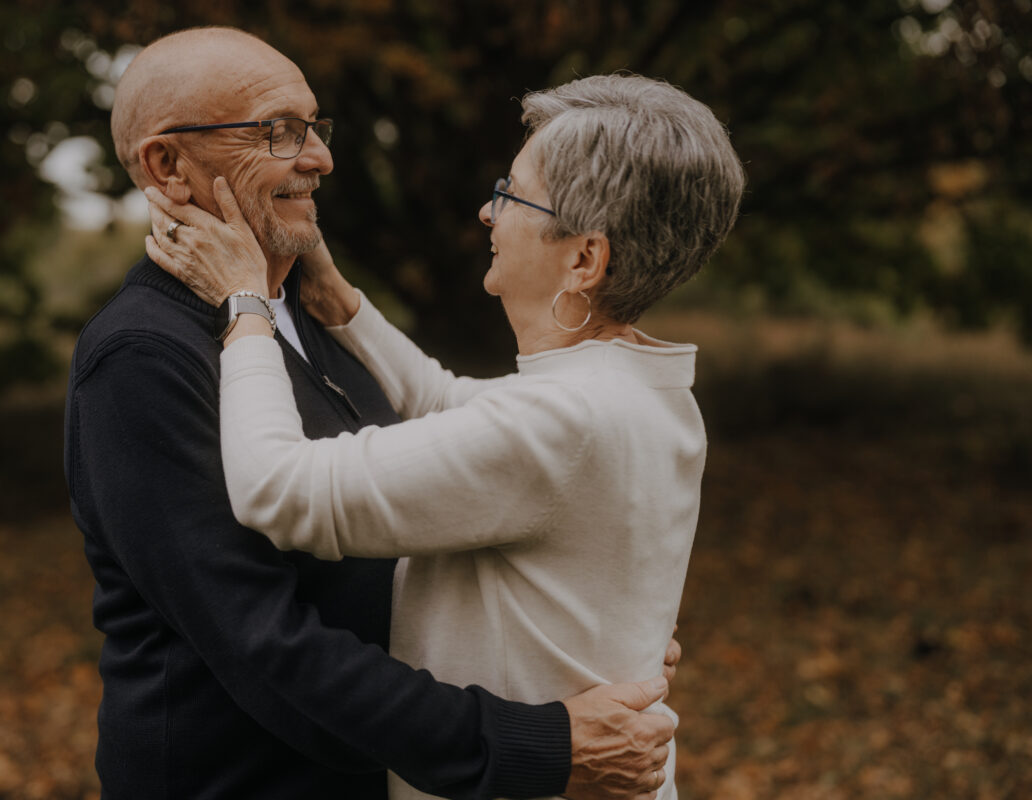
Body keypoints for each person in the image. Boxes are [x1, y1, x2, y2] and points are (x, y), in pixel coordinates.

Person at [65, 27, 682, 800]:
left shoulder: (312, 318)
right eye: (276, 132)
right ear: (168, 165)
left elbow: (437, 481)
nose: (319, 157)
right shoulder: (142, 359)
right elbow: (268, 647)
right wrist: (537, 742)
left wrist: (585, 636)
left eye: (315, 127)